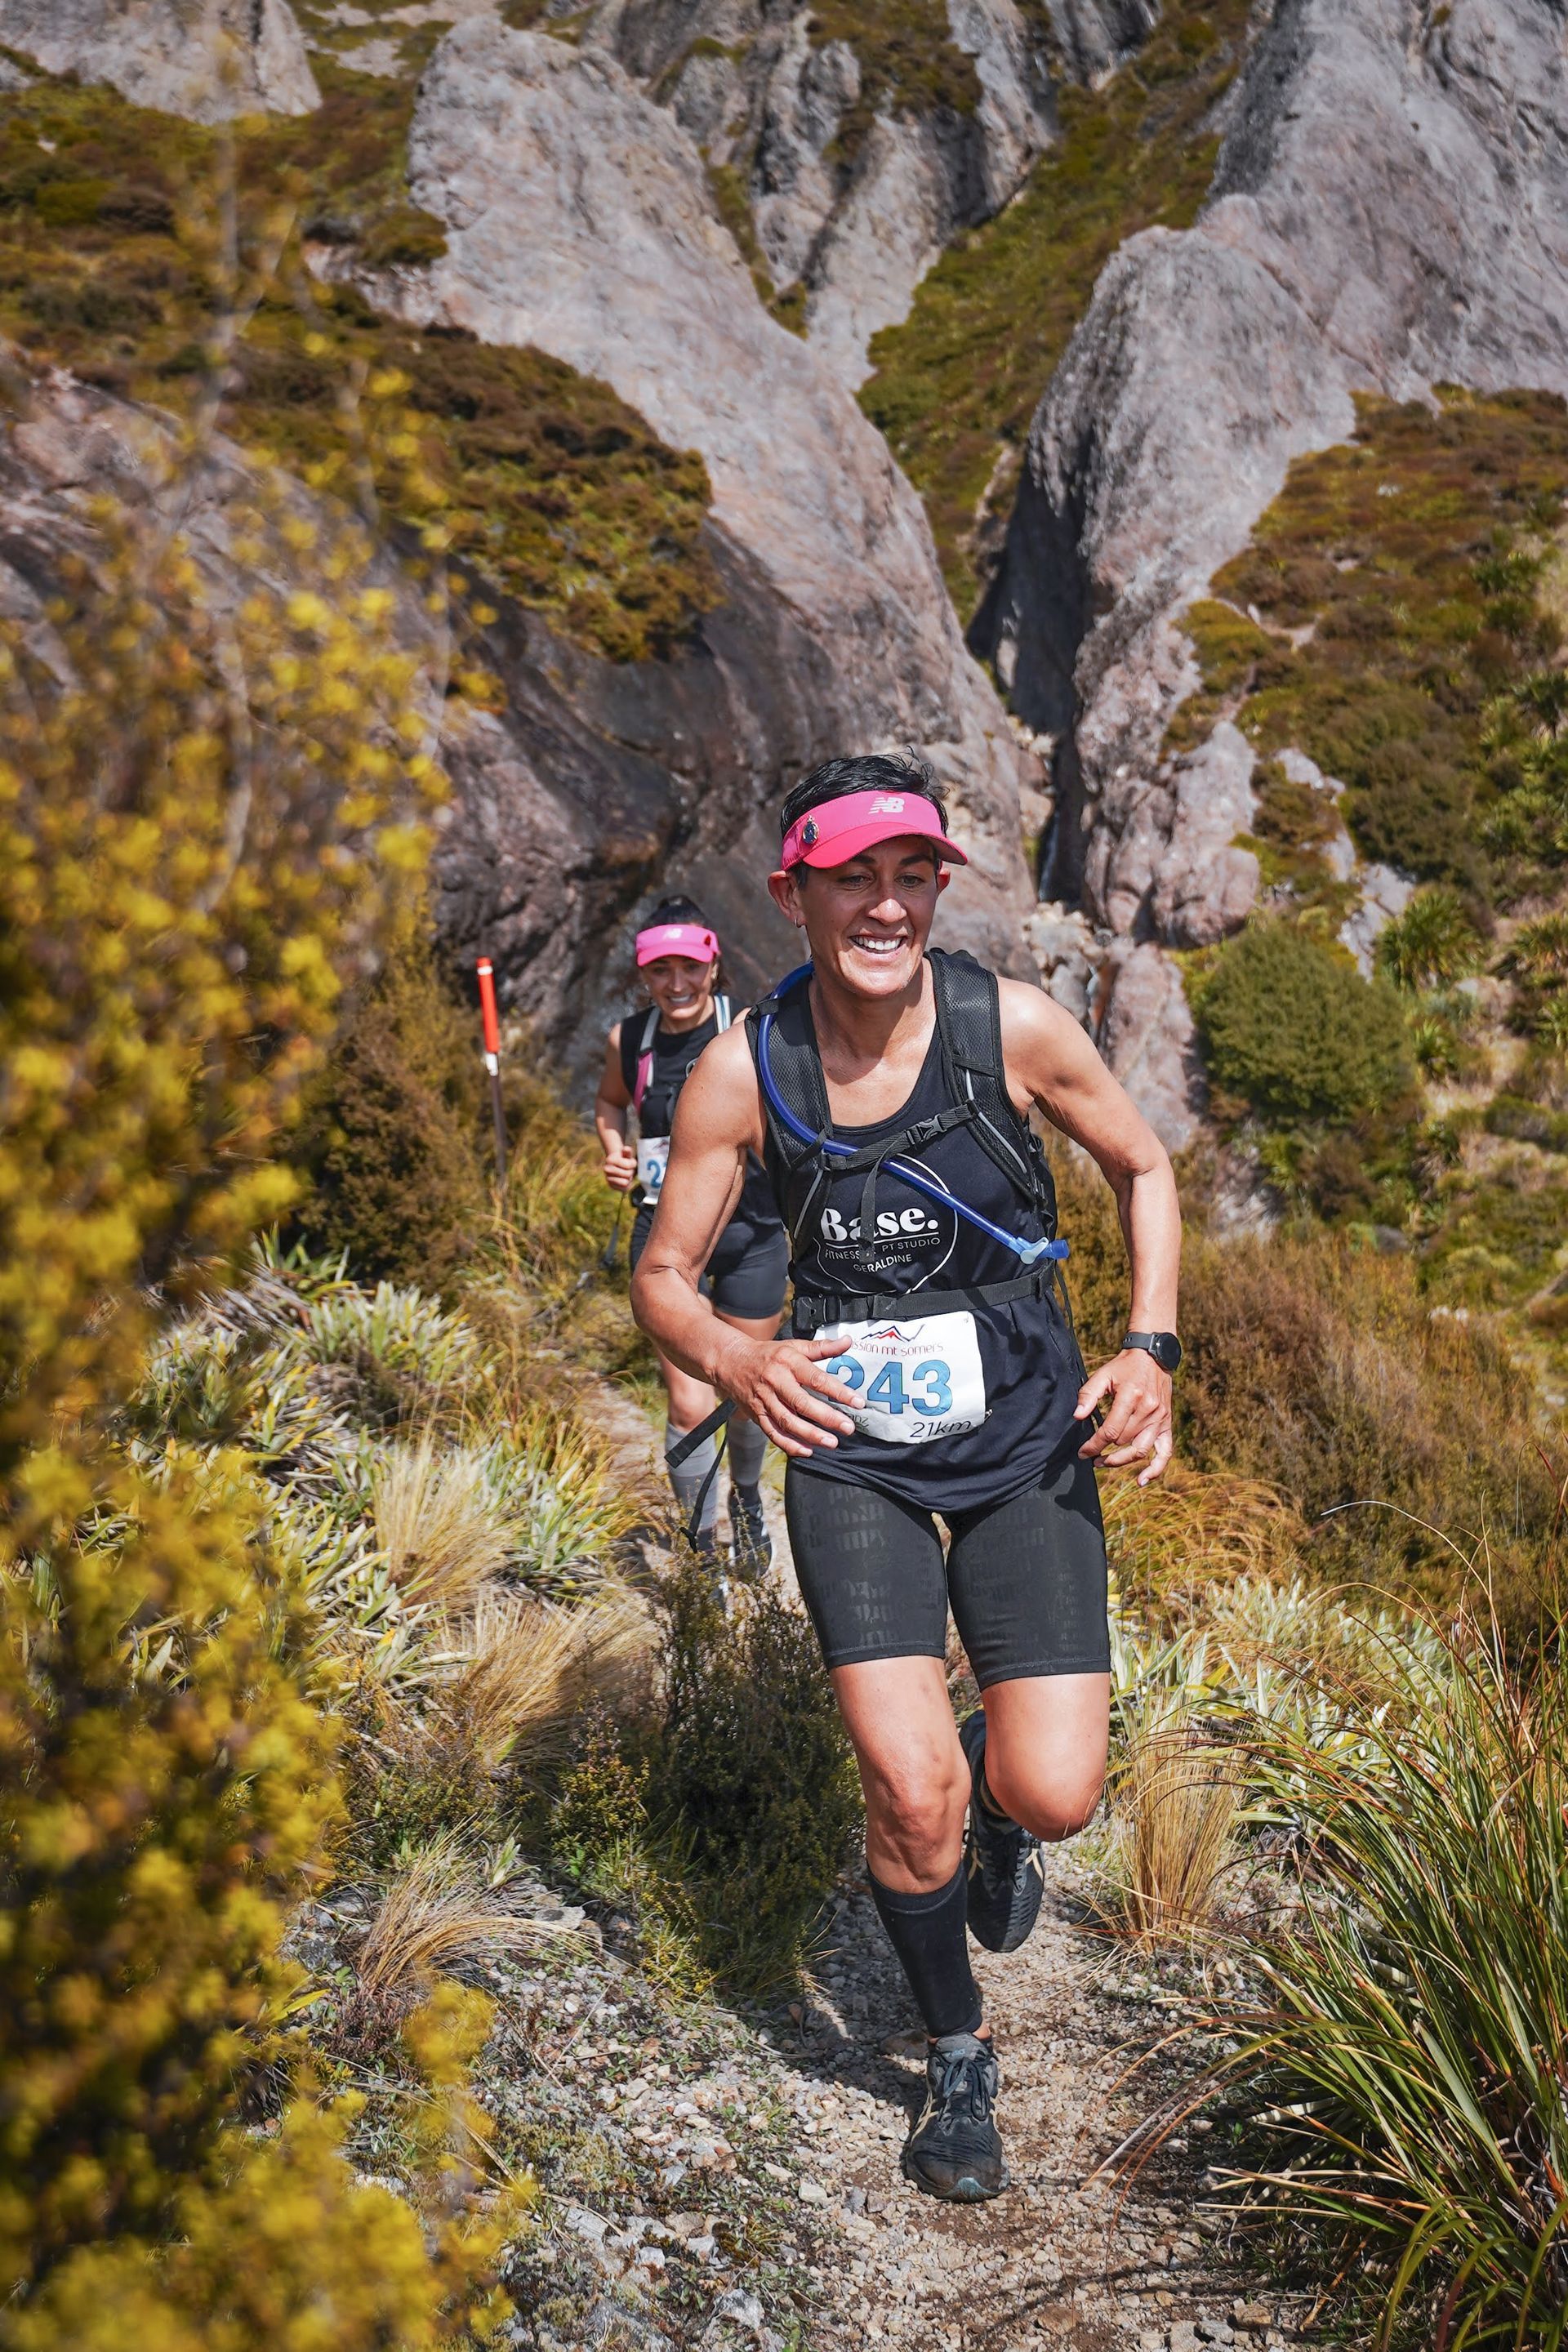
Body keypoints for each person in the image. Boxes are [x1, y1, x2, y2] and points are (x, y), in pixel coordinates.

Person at [630, 759, 1181, 2203]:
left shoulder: (1012, 1025)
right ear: (796, 893)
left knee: (1052, 1791)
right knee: (907, 1781)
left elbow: (1144, 1168)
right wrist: (741, 1367)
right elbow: (666, 1278)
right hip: (848, 1455)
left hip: (1020, 1450)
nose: (887, 905)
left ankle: (1002, 1829)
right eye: (854, 879)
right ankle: (955, 2057)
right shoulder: (746, 1067)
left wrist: (1151, 1348)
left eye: (913, 875)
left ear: (939, 885)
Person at [595, 896, 788, 1569]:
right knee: (686, 1401)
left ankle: (746, 1498)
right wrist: (614, 1150)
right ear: (643, 975)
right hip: (668, 1238)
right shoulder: (630, 1041)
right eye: (660, 971)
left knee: (743, 1394)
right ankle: (703, 1551)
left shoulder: (753, 1029)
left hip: (754, 1233)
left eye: (689, 968)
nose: (676, 985)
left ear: (713, 964)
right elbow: (610, 1102)